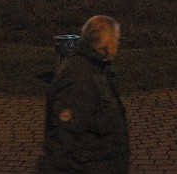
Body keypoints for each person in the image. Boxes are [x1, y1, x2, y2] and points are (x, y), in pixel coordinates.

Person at [45, 15, 129, 173]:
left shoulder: (95, 68)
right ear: (108, 43)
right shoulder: (80, 79)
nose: (117, 46)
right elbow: (62, 142)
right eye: (116, 40)